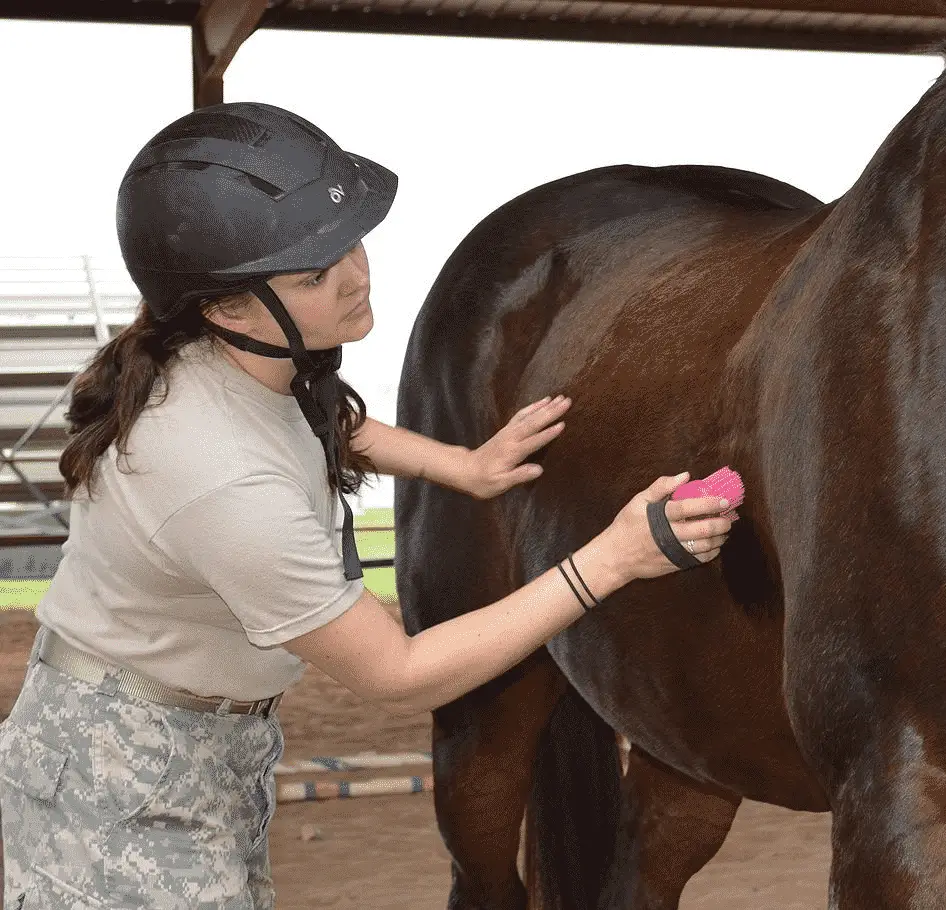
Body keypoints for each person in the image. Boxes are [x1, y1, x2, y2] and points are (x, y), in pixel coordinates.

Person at [0, 101, 732, 909]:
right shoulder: (217, 476)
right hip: (122, 771)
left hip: (202, 739)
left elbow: (327, 423)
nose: (356, 275)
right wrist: (611, 559)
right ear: (225, 309)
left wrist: (467, 466)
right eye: (314, 273)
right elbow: (400, 673)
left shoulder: (237, 362)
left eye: (349, 242)